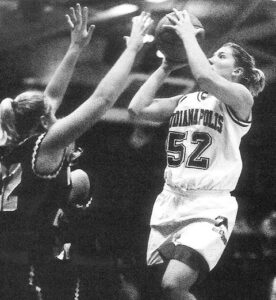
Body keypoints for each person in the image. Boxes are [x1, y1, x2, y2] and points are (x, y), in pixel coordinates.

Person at [0, 4, 153, 298]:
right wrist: (133, 48)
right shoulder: (46, 145)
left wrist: (75, 48)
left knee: (79, 181)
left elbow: (51, 97)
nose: (59, 116)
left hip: (20, 256)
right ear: (45, 122)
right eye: (54, 116)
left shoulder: (14, 143)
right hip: (30, 266)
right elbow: (103, 98)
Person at [128, 8, 265, 300]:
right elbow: (137, 111)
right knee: (163, 290)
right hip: (170, 200)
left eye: (221, 56)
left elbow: (203, 76)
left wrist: (188, 35)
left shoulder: (241, 99)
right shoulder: (185, 100)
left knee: (173, 284)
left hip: (208, 206)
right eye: (212, 55)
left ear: (237, 72)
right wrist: (165, 66)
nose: (212, 58)